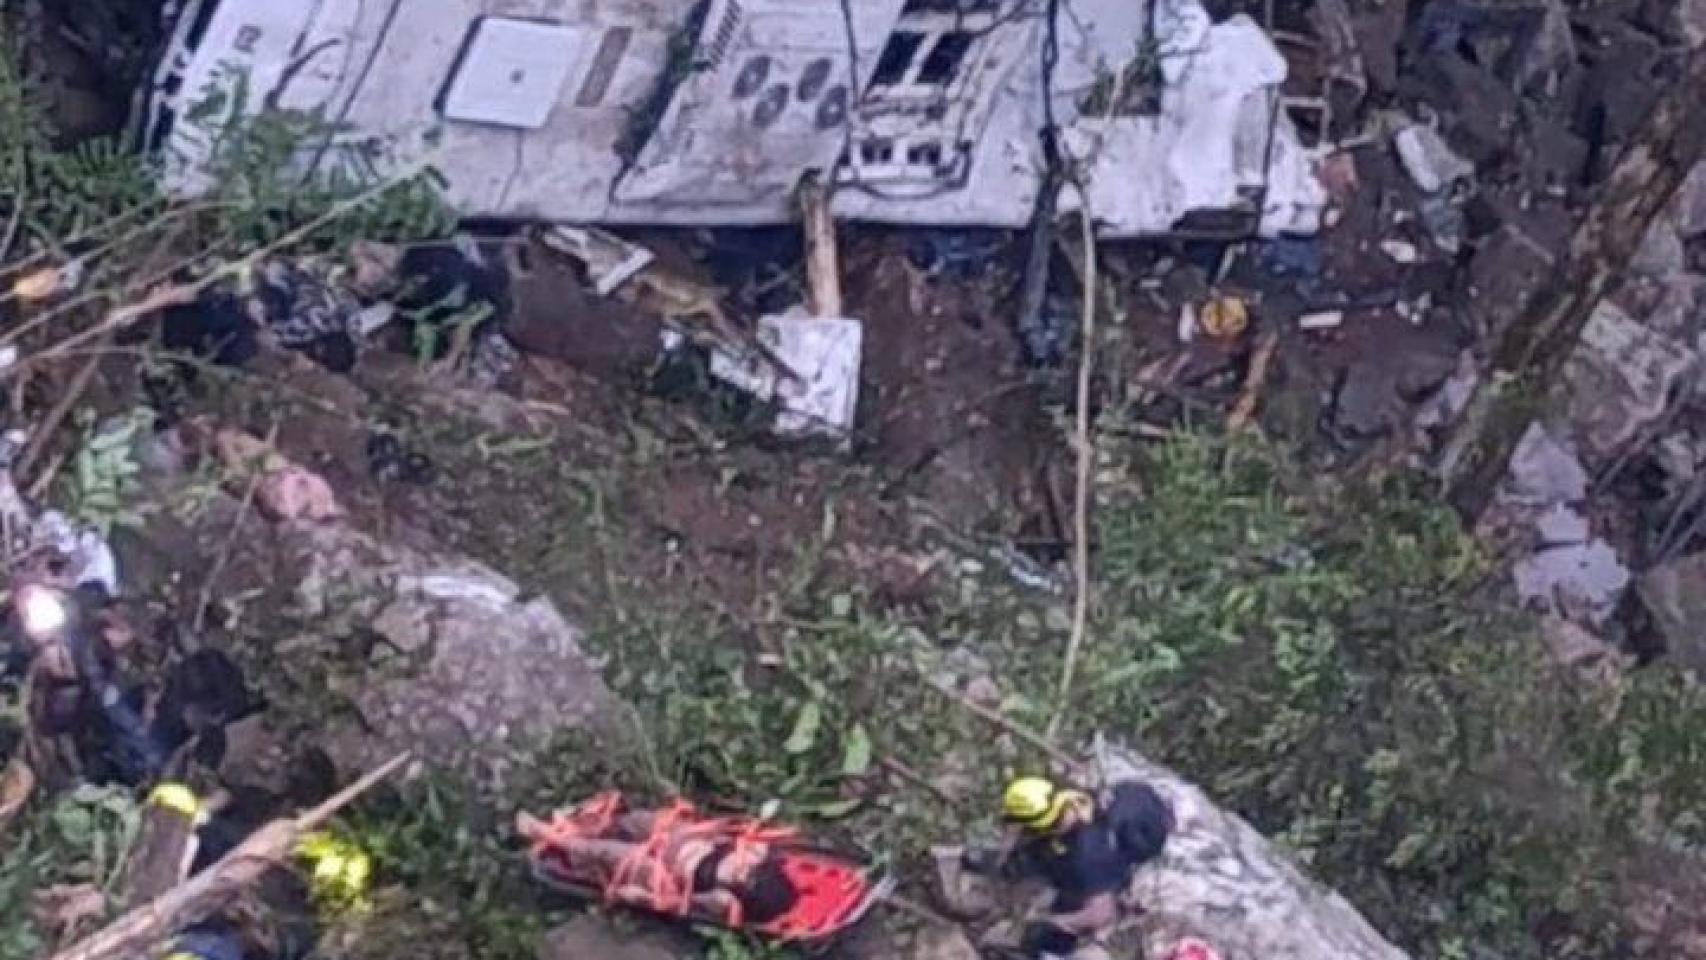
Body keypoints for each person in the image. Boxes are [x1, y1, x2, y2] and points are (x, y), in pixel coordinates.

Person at [968, 776, 1175, 959]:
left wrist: (1052, 921)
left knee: (1057, 919)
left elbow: (1101, 913)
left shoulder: (1088, 856)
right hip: (1135, 803)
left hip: (1127, 845)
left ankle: (1052, 950)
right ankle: (1019, 868)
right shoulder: (1068, 796)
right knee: (1042, 856)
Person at [519, 802, 800, 926]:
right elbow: (736, 834)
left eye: (745, 883)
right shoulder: (752, 855)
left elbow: (682, 902)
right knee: (637, 820)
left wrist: (645, 896)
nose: (741, 874)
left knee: (609, 853)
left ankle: (550, 835)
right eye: (750, 873)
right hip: (679, 841)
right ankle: (585, 825)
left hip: (664, 871)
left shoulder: (723, 898)